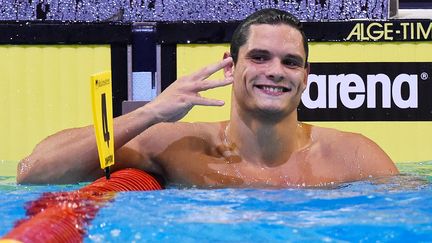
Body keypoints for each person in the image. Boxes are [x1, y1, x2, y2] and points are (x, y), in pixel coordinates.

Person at [17, 8, 398, 188]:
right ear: (230, 69)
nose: (276, 71)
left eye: (291, 62)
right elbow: (33, 172)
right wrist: (151, 112)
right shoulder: (183, 146)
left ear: (305, 77)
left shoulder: (353, 157)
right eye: (259, 57)